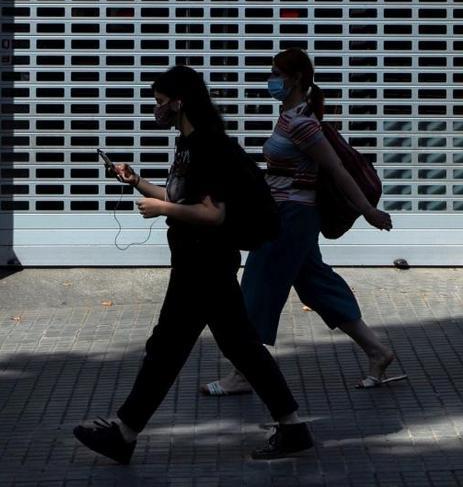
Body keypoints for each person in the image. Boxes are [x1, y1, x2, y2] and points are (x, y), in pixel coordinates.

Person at [73, 66, 313, 464]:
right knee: (239, 347)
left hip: (204, 262)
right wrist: (136, 182)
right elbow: (180, 197)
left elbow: (212, 214)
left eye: (160, 101)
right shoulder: (187, 146)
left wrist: (159, 208)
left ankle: (125, 433)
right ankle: (293, 427)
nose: (156, 109)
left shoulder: (208, 147)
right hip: (198, 261)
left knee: (167, 348)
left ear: (179, 101)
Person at [200, 47, 406, 396]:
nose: (271, 80)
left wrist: (368, 211)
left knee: (256, 286)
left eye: (277, 74)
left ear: (295, 78)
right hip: (289, 216)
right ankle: (378, 351)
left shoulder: (303, 123)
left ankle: (244, 371)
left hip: (291, 218)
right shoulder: (290, 115)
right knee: (317, 286)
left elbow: (336, 169)